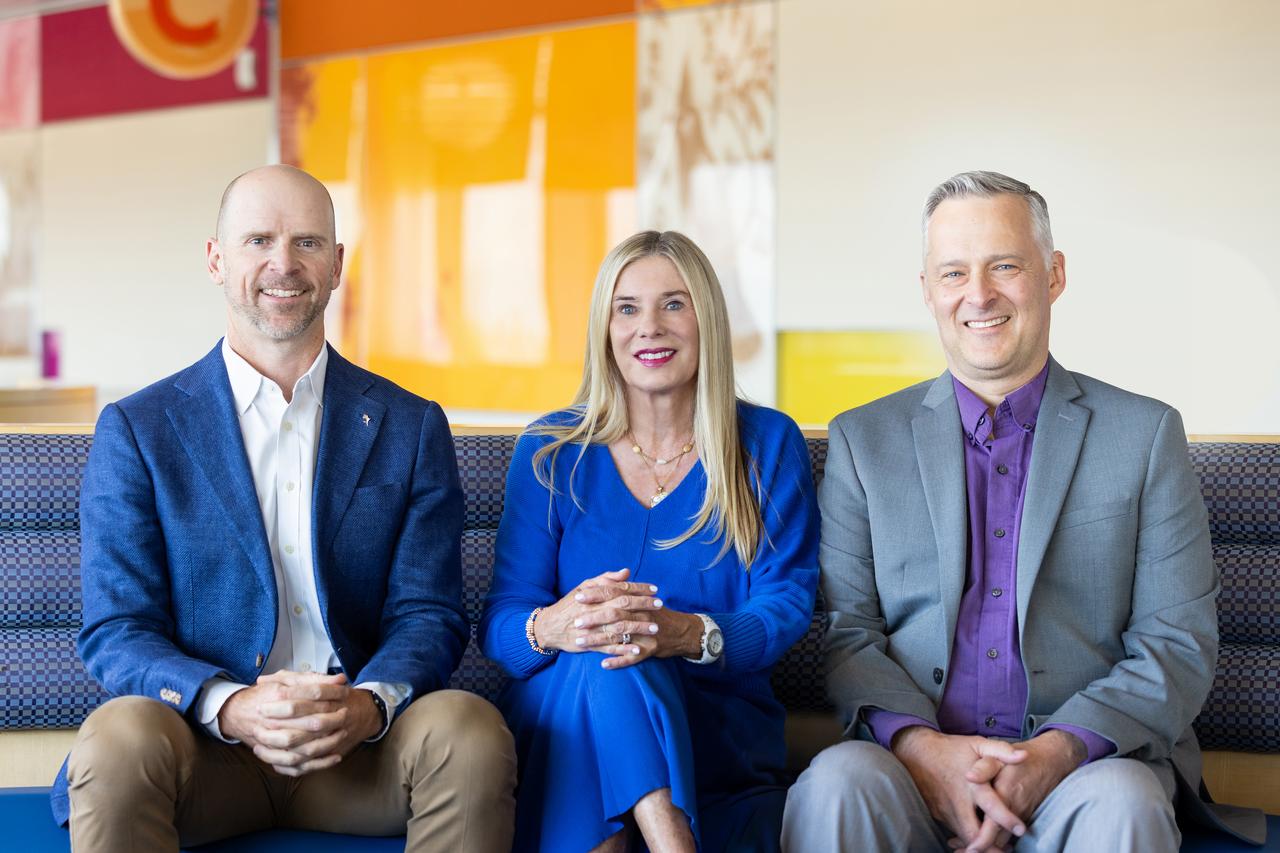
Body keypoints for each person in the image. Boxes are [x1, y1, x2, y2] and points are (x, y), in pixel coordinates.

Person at [782, 170, 1265, 852]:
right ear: (927, 290)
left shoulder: (1147, 435)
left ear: (1054, 274)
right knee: (834, 784)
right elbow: (847, 635)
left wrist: (1055, 753)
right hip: (909, 767)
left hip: (1086, 770)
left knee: (1126, 804)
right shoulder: (863, 442)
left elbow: (1176, 641)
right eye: (953, 272)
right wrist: (922, 750)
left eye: (1004, 265)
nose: (978, 294)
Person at [53, 165, 516, 852]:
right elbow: (118, 629)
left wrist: (367, 706)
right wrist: (232, 707)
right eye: (258, 240)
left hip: (360, 751)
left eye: (307, 242)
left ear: (337, 264)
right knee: (117, 736)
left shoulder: (410, 426)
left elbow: (430, 615)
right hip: (201, 751)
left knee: (469, 729)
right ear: (216, 260)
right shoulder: (139, 430)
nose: (284, 263)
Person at [479, 230, 819, 852]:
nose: (649, 328)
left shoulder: (766, 444)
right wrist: (556, 626)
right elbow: (501, 623)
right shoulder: (551, 452)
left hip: (716, 731)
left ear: (705, 319)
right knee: (604, 652)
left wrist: (686, 634)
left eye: (673, 304)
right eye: (627, 308)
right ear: (604, 329)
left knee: (619, 648)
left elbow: (786, 605)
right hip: (564, 728)